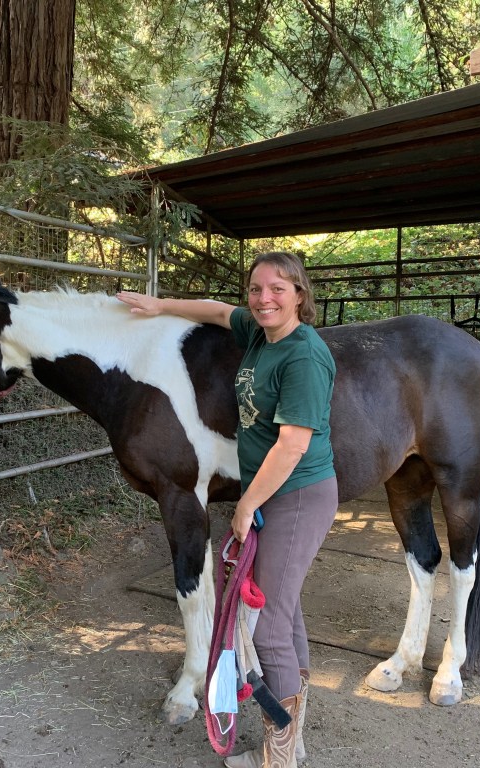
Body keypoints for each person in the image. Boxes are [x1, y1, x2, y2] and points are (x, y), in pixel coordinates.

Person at [117, 251, 337, 768]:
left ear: (299, 295)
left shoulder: (303, 356)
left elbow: (293, 445)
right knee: (286, 612)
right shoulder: (261, 334)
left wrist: (245, 505)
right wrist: (159, 305)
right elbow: (217, 311)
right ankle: (291, 743)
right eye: (256, 289)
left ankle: (279, 756)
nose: (264, 299)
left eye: (277, 289)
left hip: (296, 494)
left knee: (270, 627)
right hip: (274, 492)